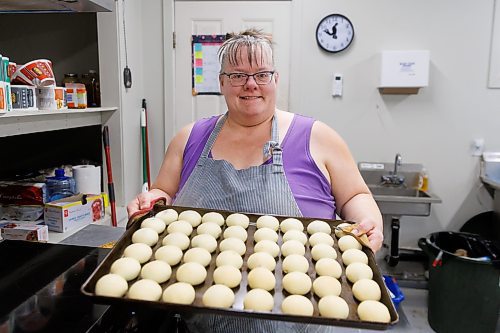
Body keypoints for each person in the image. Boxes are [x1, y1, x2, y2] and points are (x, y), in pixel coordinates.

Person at [127, 28, 383, 252]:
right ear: (221, 83)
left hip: (300, 296)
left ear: (275, 79)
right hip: (190, 294)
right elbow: (163, 194)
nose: (250, 85)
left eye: (261, 74)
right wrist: (151, 200)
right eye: (238, 76)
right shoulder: (189, 138)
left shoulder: (319, 137)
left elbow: (354, 197)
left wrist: (368, 221)